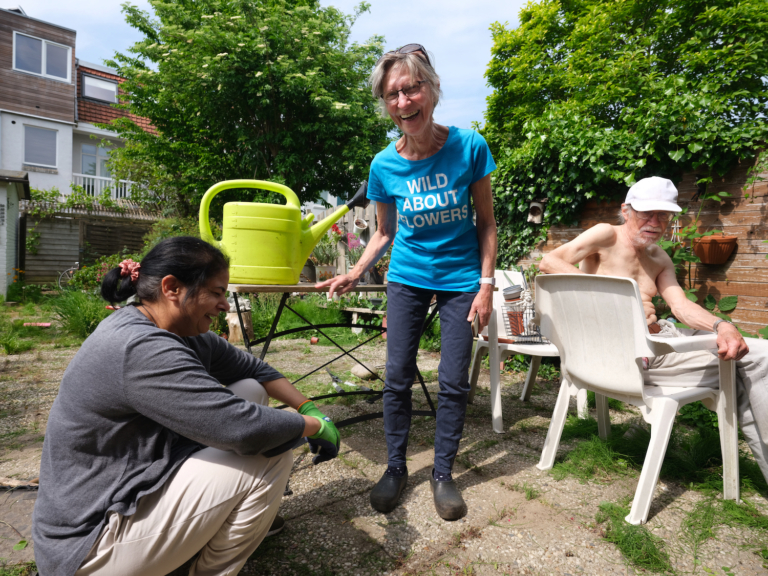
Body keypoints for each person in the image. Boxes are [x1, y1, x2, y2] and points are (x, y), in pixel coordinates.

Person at [32, 237, 340, 576]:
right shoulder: (139, 347)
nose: (225, 305)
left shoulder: (179, 331)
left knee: (250, 390)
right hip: (89, 545)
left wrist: (309, 408)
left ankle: (208, 532)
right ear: (172, 288)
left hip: (136, 482)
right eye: (217, 292)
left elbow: (255, 370)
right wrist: (314, 427)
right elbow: (244, 430)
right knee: (271, 456)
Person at [317, 44, 498, 520]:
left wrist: (485, 284)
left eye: (412, 87)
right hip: (408, 276)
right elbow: (384, 231)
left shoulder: (470, 146)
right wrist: (355, 271)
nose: (404, 101)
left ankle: (442, 473)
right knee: (397, 377)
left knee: (453, 380)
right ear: (386, 103)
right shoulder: (384, 165)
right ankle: (395, 468)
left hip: (462, 279)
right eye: (393, 93)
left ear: (431, 90)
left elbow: (486, 224)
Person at [539, 176, 768, 481]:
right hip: (620, 357)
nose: (656, 222)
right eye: (647, 213)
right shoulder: (606, 235)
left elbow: (681, 307)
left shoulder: (660, 259)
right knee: (755, 358)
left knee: (743, 356)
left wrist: (721, 324)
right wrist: (624, 298)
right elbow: (549, 261)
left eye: (664, 215)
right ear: (626, 210)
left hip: (653, 344)